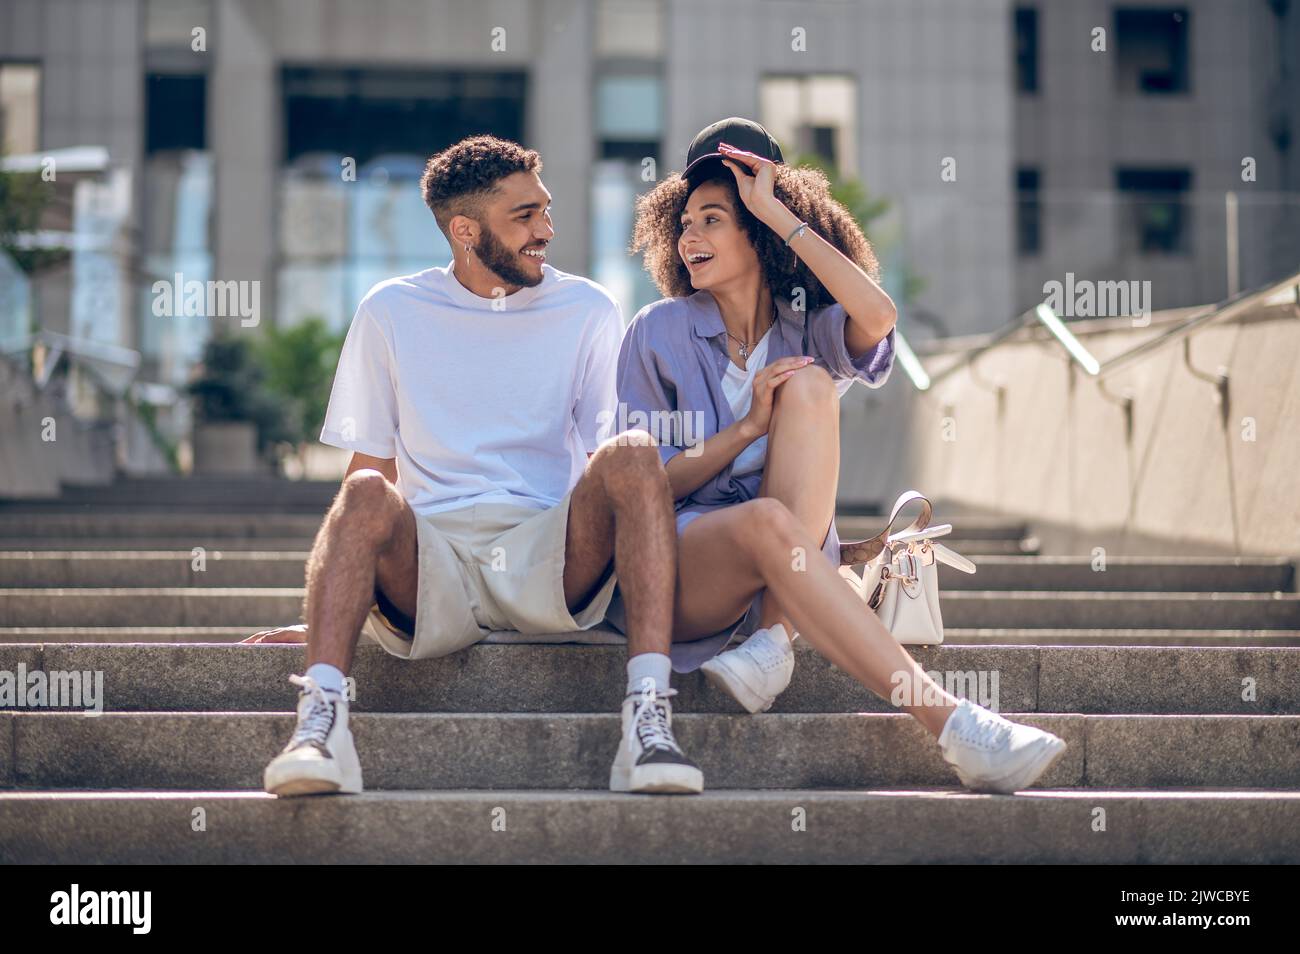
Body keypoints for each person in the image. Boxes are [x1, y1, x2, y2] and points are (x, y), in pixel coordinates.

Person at [610, 118, 1065, 793]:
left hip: (785, 568)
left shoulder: (805, 327)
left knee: (815, 385)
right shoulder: (659, 331)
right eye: (684, 223)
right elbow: (642, 485)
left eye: (714, 219)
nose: (689, 237)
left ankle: (772, 640)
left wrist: (775, 210)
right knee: (766, 519)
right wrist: (744, 429)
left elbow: (879, 318)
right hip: (685, 563)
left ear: (759, 232)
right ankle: (955, 725)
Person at [253, 135, 703, 797]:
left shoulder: (588, 309)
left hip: (547, 553)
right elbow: (366, 472)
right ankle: (320, 725)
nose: (545, 230)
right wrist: (333, 610)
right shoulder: (390, 310)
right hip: (430, 565)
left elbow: (608, 469)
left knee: (635, 453)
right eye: (524, 217)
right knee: (370, 491)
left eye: (545, 211)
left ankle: (648, 719)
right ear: (465, 231)